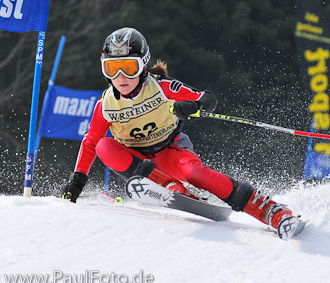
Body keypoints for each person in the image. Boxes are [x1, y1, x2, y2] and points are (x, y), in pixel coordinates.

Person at [61, 27, 301, 237]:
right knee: (105, 146)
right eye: (112, 68)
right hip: (139, 164)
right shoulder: (106, 105)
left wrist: (193, 106)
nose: (121, 77)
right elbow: (91, 143)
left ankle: (272, 211)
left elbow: (206, 99)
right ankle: (169, 187)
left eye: (129, 67)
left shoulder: (162, 87)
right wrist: (77, 180)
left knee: (197, 174)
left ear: (143, 65)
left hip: (171, 151)